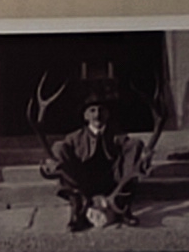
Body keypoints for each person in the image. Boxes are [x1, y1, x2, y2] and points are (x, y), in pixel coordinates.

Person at [41, 97, 141, 232]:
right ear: (85, 116)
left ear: (107, 114)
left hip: (111, 181)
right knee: (59, 148)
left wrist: (142, 155)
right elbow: (59, 152)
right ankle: (77, 211)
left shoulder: (116, 135)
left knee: (135, 144)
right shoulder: (74, 138)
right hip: (84, 183)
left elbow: (131, 149)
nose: (97, 114)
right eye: (92, 110)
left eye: (101, 110)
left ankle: (124, 208)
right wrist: (51, 164)